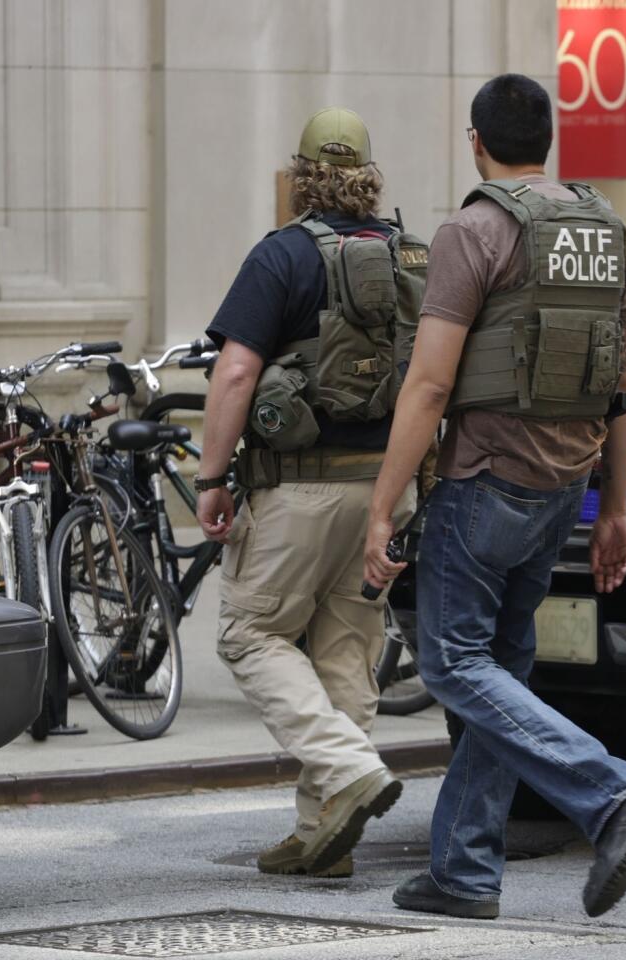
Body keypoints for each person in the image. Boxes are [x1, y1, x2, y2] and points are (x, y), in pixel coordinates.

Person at [363, 73, 626, 921]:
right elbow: (624, 383)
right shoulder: (601, 229)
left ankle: (610, 793)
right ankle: (464, 871)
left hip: (486, 483)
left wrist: (382, 506)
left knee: (454, 666)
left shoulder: (473, 229)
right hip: (564, 486)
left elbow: (429, 385)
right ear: (548, 139)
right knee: (499, 674)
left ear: (476, 141)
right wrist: (613, 506)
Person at [197, 106, 419, 880]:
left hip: (299, 489)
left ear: (300, 176)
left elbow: (233, 372)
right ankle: (323, 834)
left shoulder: (282, 255)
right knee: (346, 654)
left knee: (250, 635)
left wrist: (209, 477)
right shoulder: (410, 257)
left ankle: (347, 769)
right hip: (387, 489)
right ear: (368, 175)